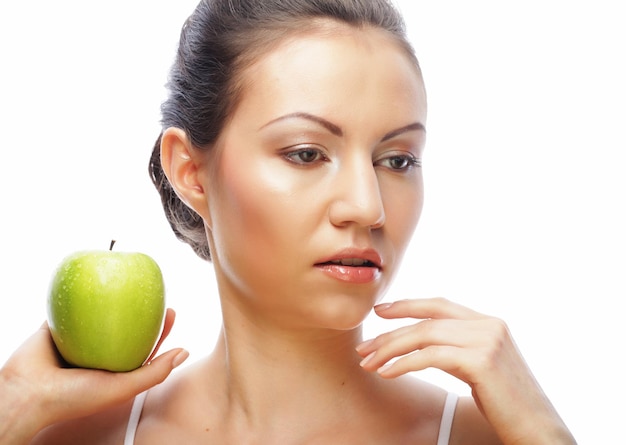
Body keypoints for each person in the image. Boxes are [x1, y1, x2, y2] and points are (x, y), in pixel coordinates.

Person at [0, 0, 576, 443]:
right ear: (191, 171)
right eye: (306, 153)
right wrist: (13, 405)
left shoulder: (491, 438)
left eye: (397, 160)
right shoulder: (73, 436)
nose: (368, 208)